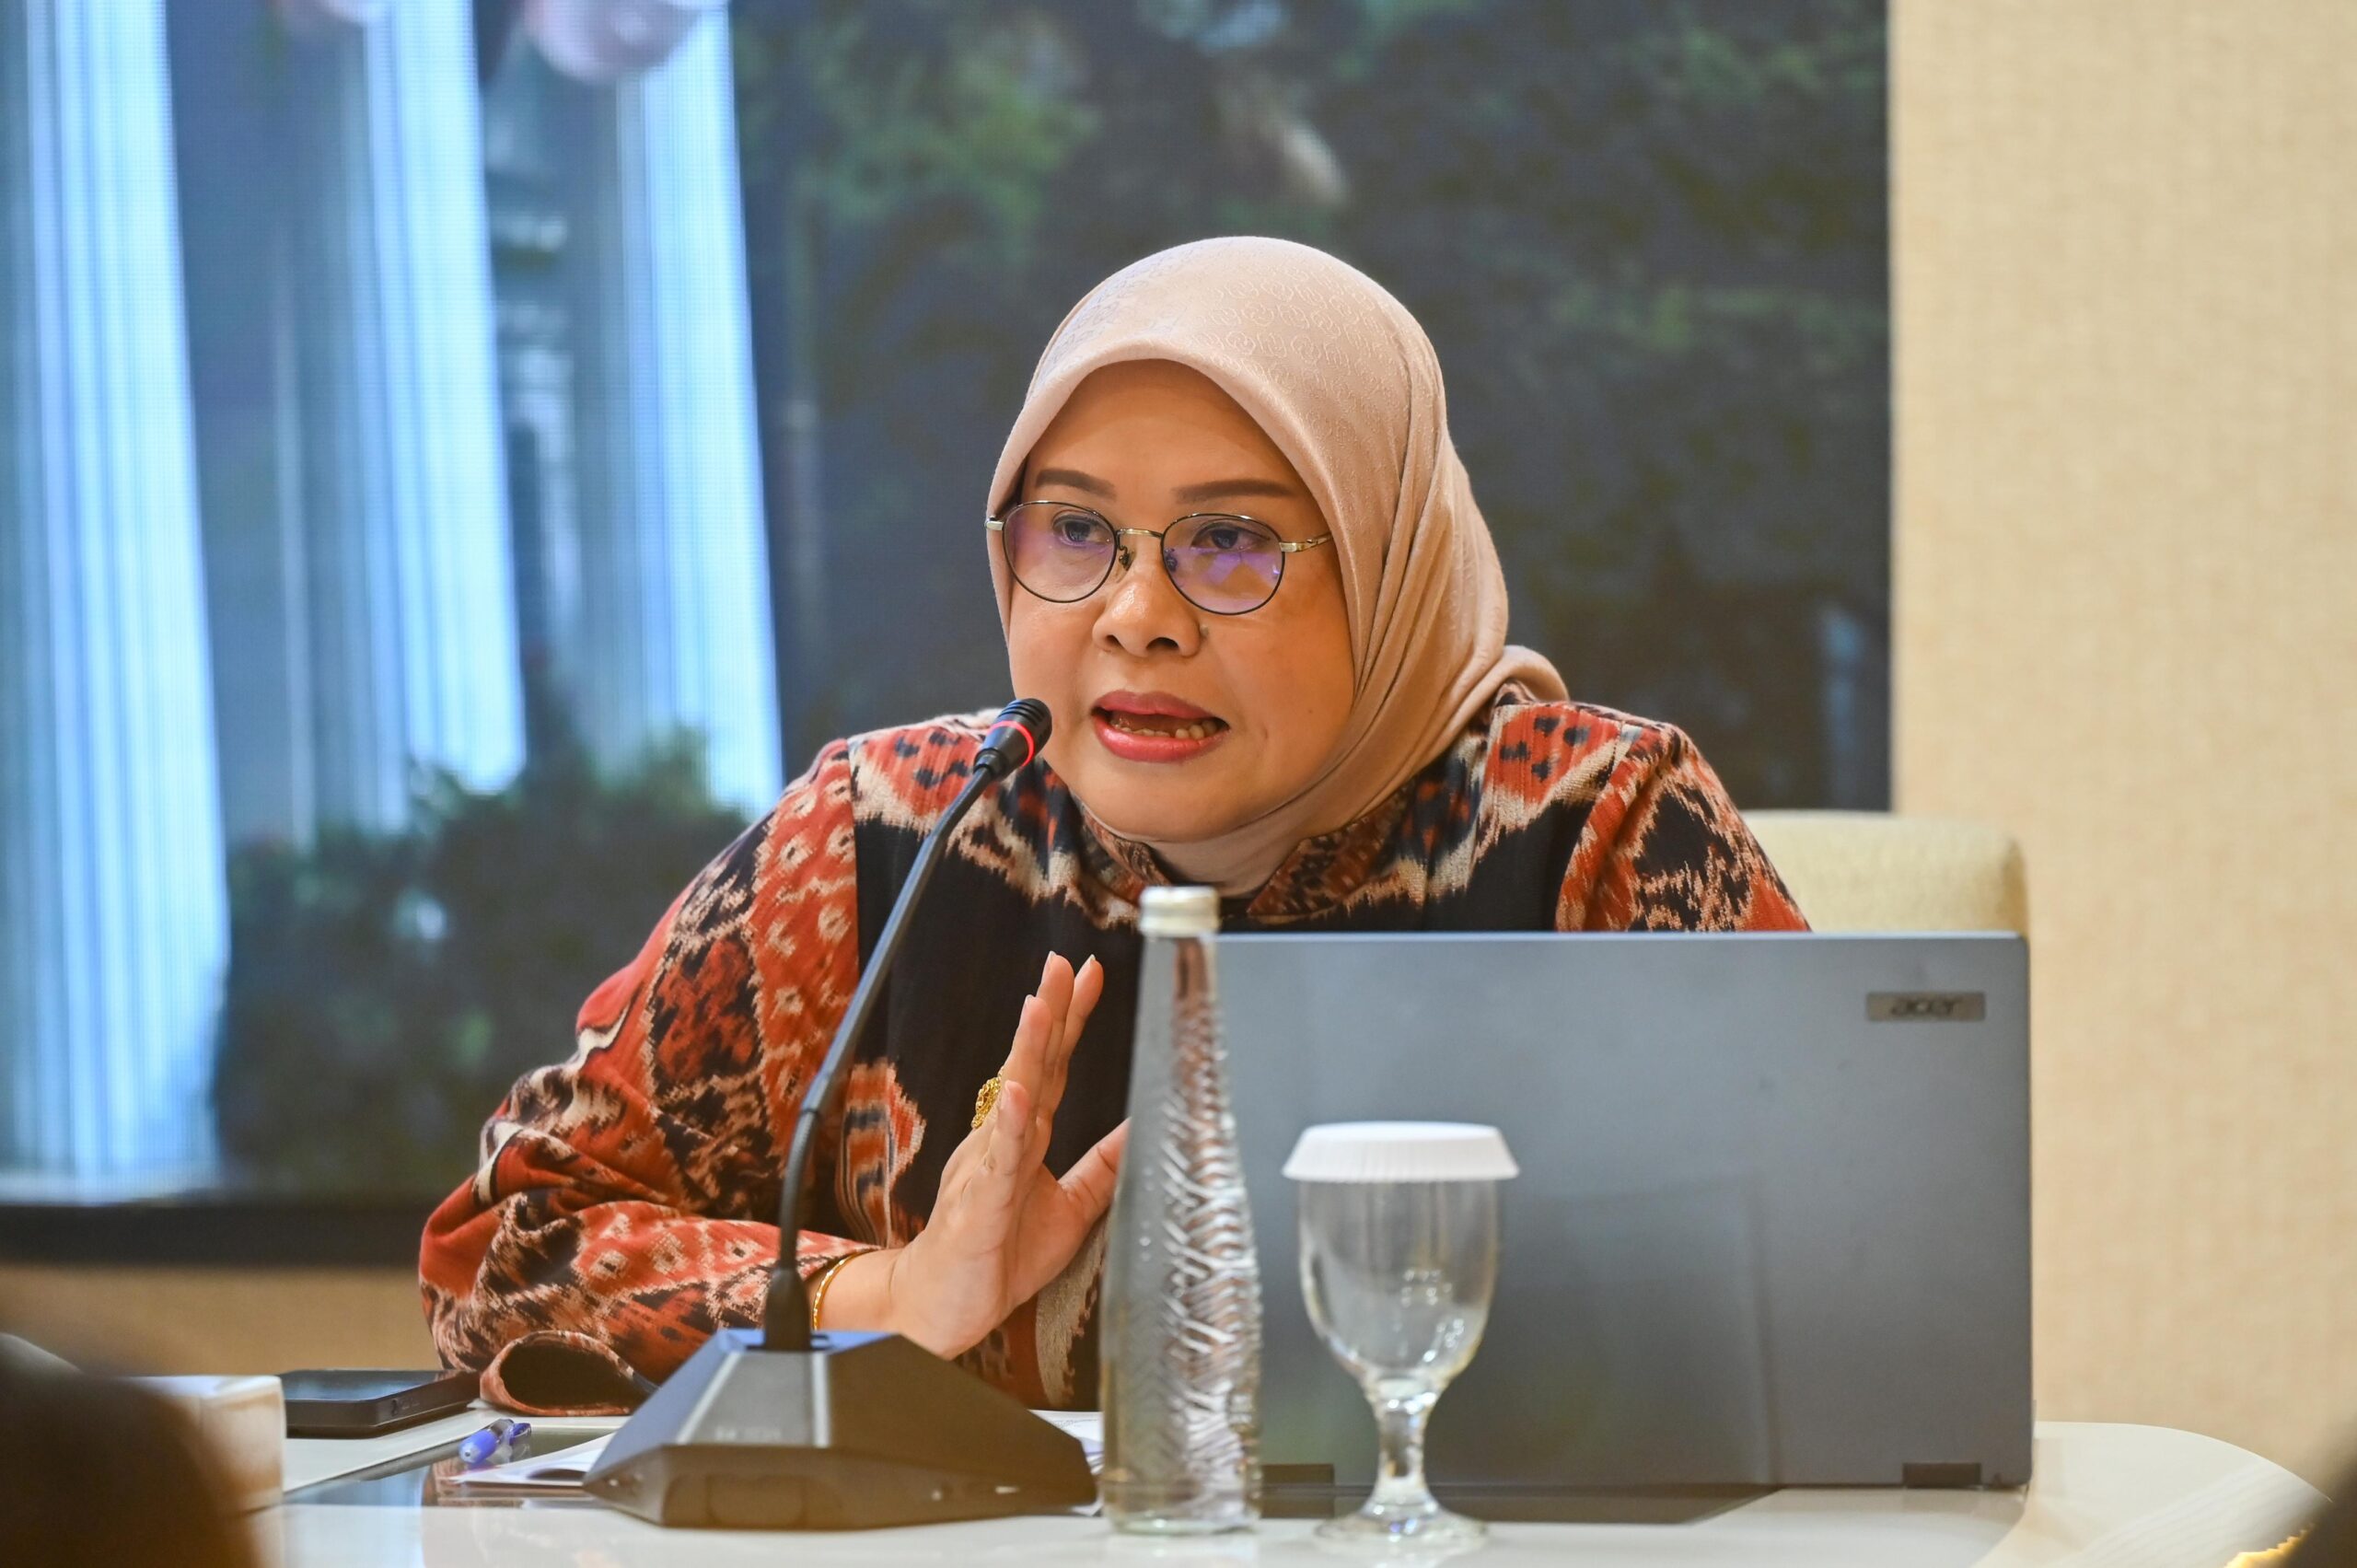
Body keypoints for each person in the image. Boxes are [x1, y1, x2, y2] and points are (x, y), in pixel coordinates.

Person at [420, 237, 1807, 1413]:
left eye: (1232, 543)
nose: (1138, 617)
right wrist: (896, 1293)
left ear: (1389, 561)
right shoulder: (881, 836)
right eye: (1076, 532)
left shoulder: (1590, 829)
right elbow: (502, 1254)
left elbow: (1840, 1289)